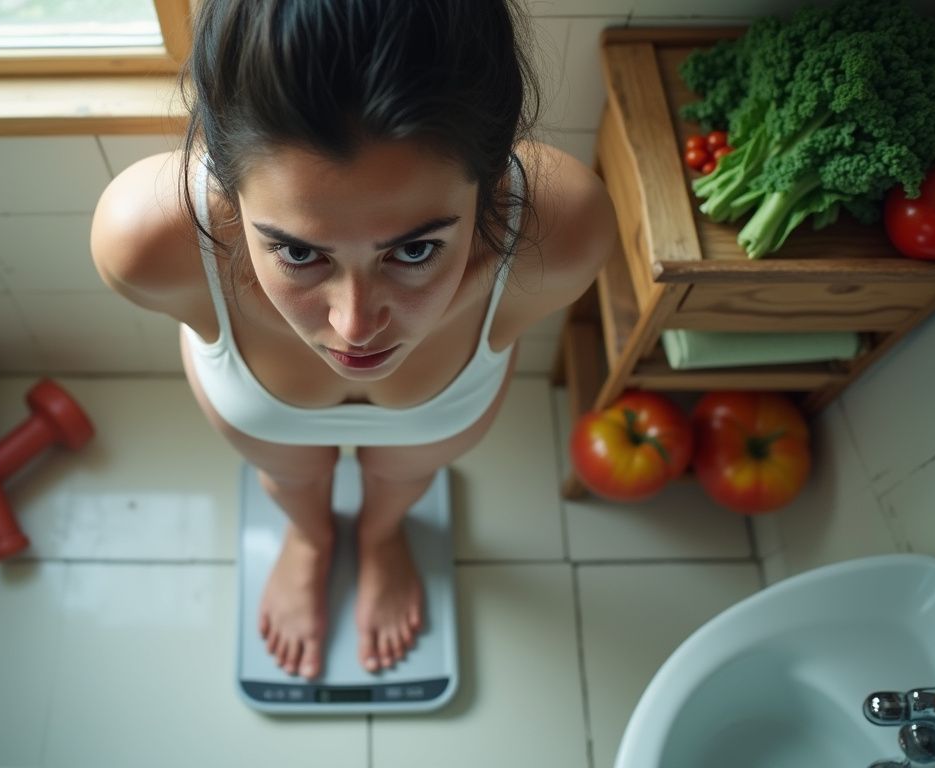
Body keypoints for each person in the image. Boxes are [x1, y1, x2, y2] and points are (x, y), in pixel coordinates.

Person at [91, 0, 615, 681]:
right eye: (300, 255)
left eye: (417, 250)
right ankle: (309, 538)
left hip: (428, 427)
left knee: (407, 472)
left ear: (486, 184)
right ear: (228, 190)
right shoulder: (149, 244)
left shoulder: (562, 234)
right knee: (288, 473)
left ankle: (382, 532)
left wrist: (384, 522)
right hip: (274, 422)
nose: (355, 327)